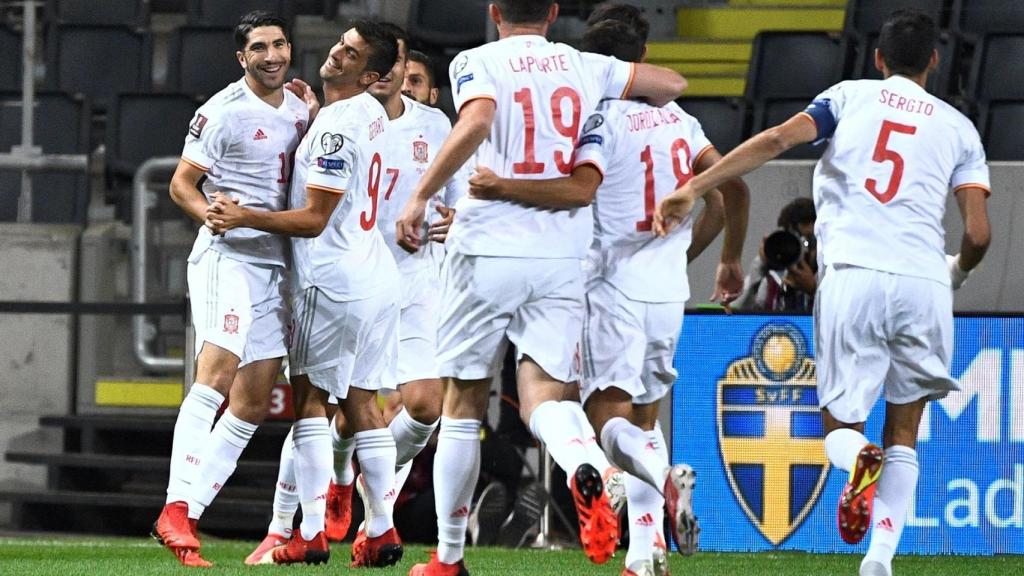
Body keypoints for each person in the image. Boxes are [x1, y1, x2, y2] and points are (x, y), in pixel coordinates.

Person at [655, 10, 991, 576]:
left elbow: (777, 139)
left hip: (854, 275)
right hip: (924, 281)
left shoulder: (848, 97)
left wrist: (694, 186)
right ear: (935, 60)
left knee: (841, 428)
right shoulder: (959, 126)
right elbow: (979, 234)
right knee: (904, 429)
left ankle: (859, 459)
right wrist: (954, 273)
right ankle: (878, 561)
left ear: (878, 59)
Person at [393, 1, 687, 573]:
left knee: (463, 402)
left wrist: (422, 193)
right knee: (547, 397)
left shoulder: (477, 58)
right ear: (553, 13)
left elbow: (477, 121)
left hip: (486, 248)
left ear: (495, 10)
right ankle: (589, 463)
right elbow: (671, 83)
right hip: (561, 255)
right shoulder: (585, 65)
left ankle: (449, 557)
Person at [469, 11, 750, 575]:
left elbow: (580, 189)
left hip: (608, 289)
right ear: (642, 55)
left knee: (601, 421)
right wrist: (722, 259)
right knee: (645, 422)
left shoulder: (597, 118)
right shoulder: (680, 121)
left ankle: (651, 480)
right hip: (667, 292)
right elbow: (731, 191)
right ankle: (646, 555)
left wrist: (504, 190)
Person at [206, 20, 403, 567]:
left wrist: (246, 214)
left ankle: (311, 532)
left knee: (310, 404)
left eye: (352, 52)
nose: (337, 51)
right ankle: (383, 530)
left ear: (369, 74)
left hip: (333, 278)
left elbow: (315, 219)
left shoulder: (337, 126)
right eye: (341, 41)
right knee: (363, 403)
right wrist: (317, 114)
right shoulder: (370, 113)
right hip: (376, 272)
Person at [153, 11, 308, 568]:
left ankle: (187, 514)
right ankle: (174, 506)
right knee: (216, 375)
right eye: (260, 48)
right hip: (227, 258)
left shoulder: (300, 107)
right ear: (241, 58)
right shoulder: (220, 112)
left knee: (251, 404)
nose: (273, 56)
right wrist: (209, 216)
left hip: (275, 263)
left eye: (280, 44)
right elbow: (181, 183)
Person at [733, 197, 817, 312]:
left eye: (810, 241)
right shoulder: (772, 281)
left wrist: (813, 289)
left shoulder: (830, 278)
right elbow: (734, 312)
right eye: (796, 242)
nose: (804, 250)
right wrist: (761, 265)